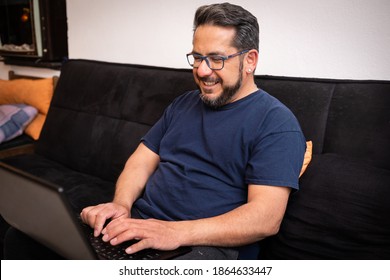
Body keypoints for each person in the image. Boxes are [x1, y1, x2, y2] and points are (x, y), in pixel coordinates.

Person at [4, 2, 306, 260]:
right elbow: (141, 160)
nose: (202, 71)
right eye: (197, 58)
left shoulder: (276, 123)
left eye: (216, 59)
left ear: (249, 60)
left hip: (207, 247)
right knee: (23, 238)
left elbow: (265, 219)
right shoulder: (185, 103)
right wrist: (121, 205)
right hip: (143, 225)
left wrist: (172, 232)